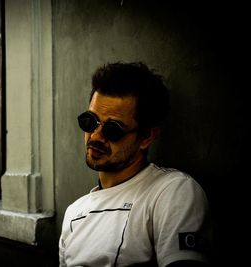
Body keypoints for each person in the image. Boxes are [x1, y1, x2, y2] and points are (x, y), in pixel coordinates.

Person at [59, 62, 212, 267]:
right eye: (90, 121)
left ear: (146, 137)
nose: (95, 136)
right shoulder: (73, 213)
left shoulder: (171, 192)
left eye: (113, 129)